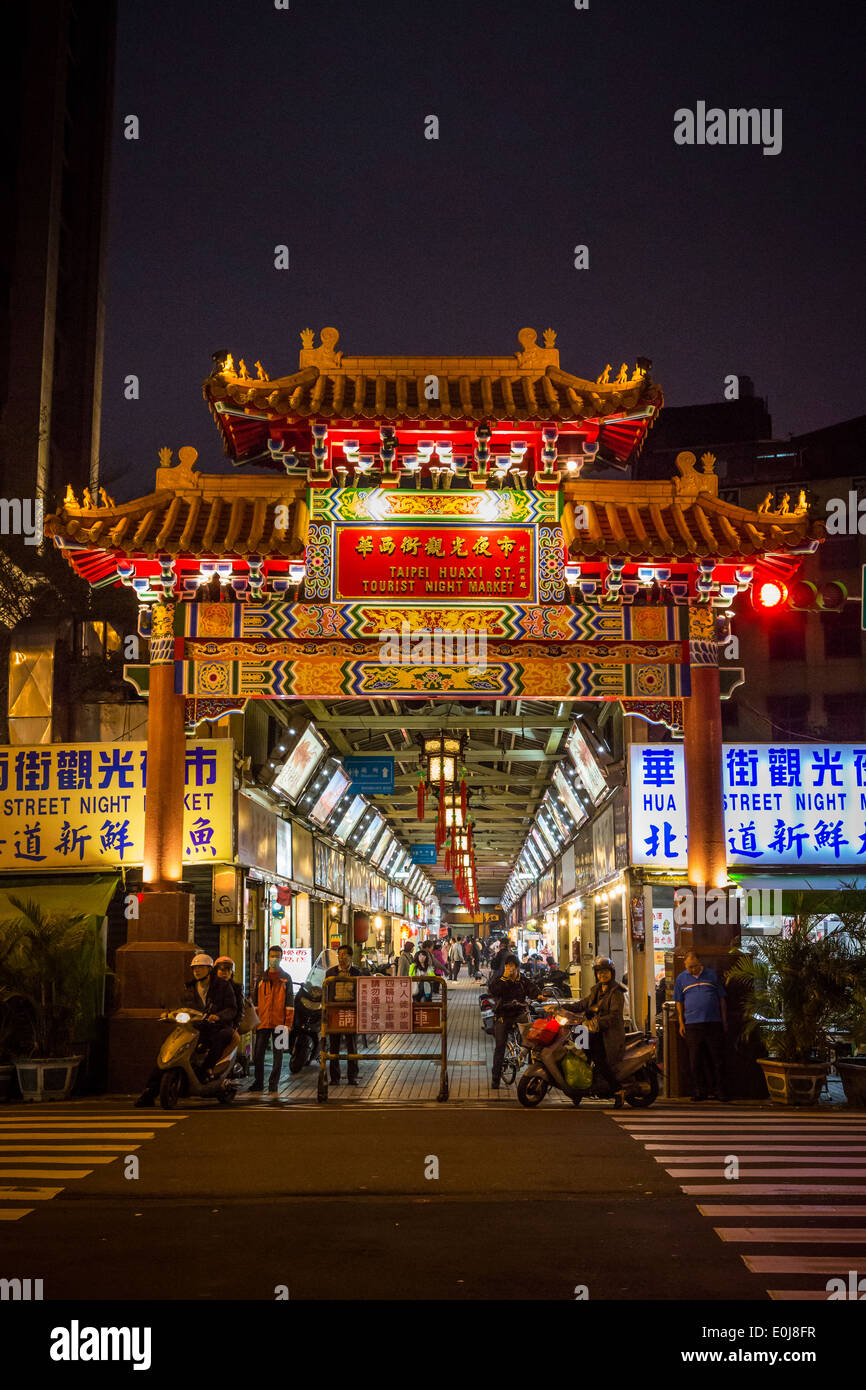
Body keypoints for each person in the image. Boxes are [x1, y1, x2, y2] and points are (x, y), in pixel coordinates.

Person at [134, 952, 237, 1106]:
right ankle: (149, 1092)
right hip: (193, 1027)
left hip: (214, 1027)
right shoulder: (188, 988)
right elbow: (180, 1006)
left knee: (223, 1035)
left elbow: (231, 1009)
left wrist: (218, 1017)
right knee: (169, 1052)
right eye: (194, 968)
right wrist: (169, 1013)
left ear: (209, 969)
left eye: (200, 968)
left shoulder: (223, 986)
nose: (197, 971)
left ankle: (207, 1069)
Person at [571, 955, 627, 1107]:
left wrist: (596, 1023)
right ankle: (581, 1086)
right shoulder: (596, 989)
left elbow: (614, 1016)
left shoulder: (616, 992)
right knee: (578, 1050)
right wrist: (564, 1007)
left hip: (608, 1035)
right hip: (593, 1032)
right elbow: (584, 1003)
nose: (602, 975)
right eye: (599, 972)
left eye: (605, 972)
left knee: (598, 1059)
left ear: (611, 973)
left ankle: (617, 1090)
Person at [674, 951, 729, 1102]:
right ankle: (699, 1091)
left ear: (700, 963)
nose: (692, 970)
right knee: (695, 1060)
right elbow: (679, 1001)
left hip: (713, 1022)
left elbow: (722, 999)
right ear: (685, 965)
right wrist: (681, 1022)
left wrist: (724, 1020)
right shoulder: (681, 978)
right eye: (689, 967)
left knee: (717, 1059)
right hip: (692, 1024)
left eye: (695, 966)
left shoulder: (711, 975)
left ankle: (720, 1091)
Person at [251, 945, 294, 1093]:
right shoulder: (261, 979)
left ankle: (273, 1084)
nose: (274, 959)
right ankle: (258, 1082)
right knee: (258, 1055)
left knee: (278, 1056)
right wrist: (255, 1022)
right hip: (262, 1022)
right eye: (272, 956)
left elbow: (290, 1003)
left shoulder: (286, 978)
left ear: (281, 958)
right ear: (268, 958)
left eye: (277, 956)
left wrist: (288, 1024)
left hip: (280, 1024)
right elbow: (255, 1003)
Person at [488, 954, 528, 1089]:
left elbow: (533, 990)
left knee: (534, 1039)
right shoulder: (500, 980)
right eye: (507, 966)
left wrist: (540, 996)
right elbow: (493, 990)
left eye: (512, 966)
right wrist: (504, 978)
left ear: (517, 968)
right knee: (500, 1046)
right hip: (503, 1015)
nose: (509, 969)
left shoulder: (522, 981)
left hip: (519, 1015)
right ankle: (495, 1078)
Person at [325, 945, 361, 1085]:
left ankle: (352, 1076)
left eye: (345, 954)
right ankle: (334, 1078)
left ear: (351, 956)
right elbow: (326, 993)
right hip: (335, 1011)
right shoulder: (330, 973)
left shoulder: (357, 973)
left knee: (352, 1045)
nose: (342, 957)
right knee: (334, 1045)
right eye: (339, 954)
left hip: (351, 1011)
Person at [214, 955, 244, 1028]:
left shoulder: (237, 987)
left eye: (229, 970)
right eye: (222, 970)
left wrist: (235, 1027)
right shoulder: (211, 987)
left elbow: (240, 1010)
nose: (226, 973)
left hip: (229, 1027)